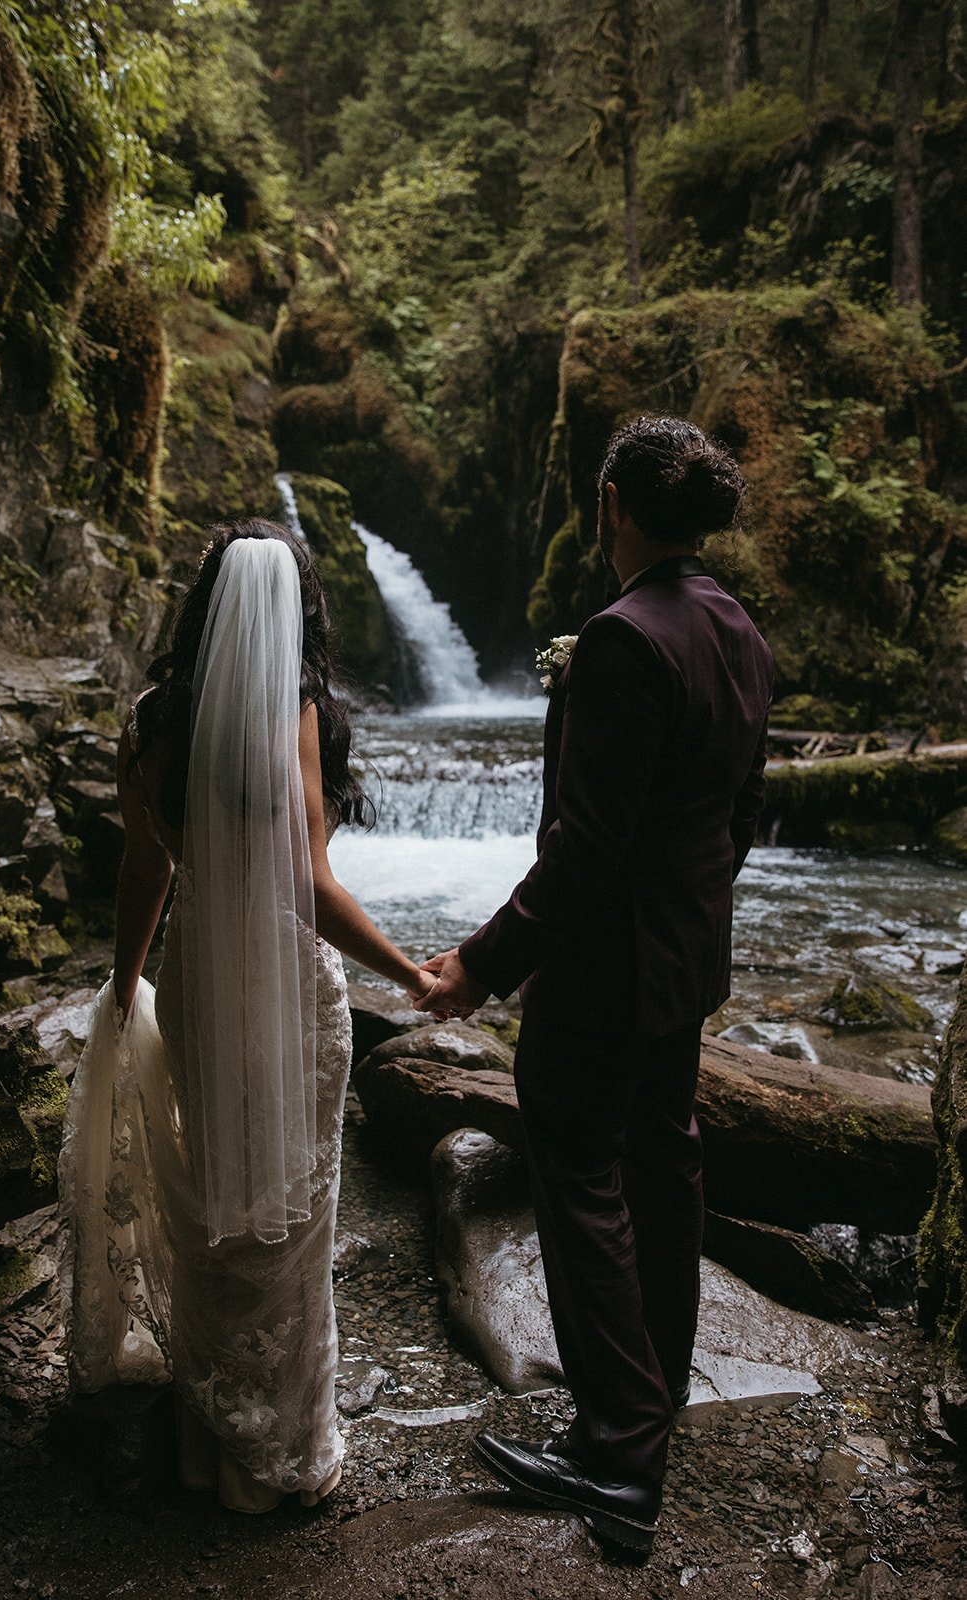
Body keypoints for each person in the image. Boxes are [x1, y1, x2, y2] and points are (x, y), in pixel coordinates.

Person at [416, 416, 774, 1557]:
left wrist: (480, 963)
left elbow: (583, 852)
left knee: (577, 1176)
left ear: (616, 505)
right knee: (662, 1169)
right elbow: (741, 813)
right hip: (684, 956)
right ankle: (646, 1402)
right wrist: (695, 909)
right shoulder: (731, 622)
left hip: (603, 967)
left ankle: (616, 1456)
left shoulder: (620, 639)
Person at [60, 521, 434, 1514]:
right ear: (297, 609)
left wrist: (123, 984)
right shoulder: (294, 710)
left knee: (215, 1197)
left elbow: (145, 871)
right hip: (286, 984)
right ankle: (279, 1449)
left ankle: (206, 1442)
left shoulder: (146, 721)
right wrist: (410, 973)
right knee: (292, 1209)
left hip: (193, 976)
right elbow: (309, 885)